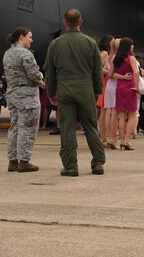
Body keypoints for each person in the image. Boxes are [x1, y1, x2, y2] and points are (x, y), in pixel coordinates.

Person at [44, 9, 106, 176]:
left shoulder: (55, 44)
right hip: (85, 89)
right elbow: (97, 70)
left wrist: (51, 91)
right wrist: (97, 90)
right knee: (91, 127)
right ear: (80, 22)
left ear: (65, 23)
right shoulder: (90, 43)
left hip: (64, 89)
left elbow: (49, 71)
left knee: (67, 128)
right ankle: (98, 163)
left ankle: (71, 165)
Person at [3, 27, 46, 172]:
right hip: (27, 96)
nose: (31, 40)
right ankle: (24, 161)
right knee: (27, 128)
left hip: (12, 94)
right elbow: (34, 74)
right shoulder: (25, 54)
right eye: (30, 37)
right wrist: (41, 80)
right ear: (21, 37)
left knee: (14, 127)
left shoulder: (7, 53)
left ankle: (13, 161)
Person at [113, 37, 141, 150]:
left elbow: (112, 75)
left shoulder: (116, 59)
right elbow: (136, 72)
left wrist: (122, 77)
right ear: (128, 46)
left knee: (121, 115)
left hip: (119, 88)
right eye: (132, 45)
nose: (133, 47)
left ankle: (121, 140)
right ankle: (126, 141)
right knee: (132, 115)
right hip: (130, 88)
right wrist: (137, 87)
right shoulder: (131, 58)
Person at [96, 35, 114, 145]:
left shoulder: (102, 53)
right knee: (103, 112)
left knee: (102, 112)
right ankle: (103, 138)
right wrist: (110, 72)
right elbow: (98, 69)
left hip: (104, 83)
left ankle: (103, 137)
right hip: (104, 83)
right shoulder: (105, 53)